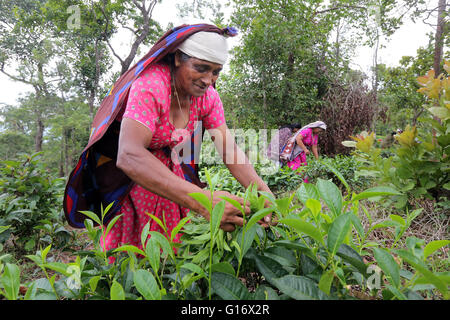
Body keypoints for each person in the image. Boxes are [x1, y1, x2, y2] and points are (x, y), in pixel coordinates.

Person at [70, 24, 274, 255]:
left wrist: (263, 192)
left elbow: (228, 149)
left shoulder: (208, 98)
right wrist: (204, 201)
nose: (208, 80)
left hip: (172, 173)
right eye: (201, 68)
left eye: (216, 72)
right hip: (135, 176)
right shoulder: (151, 85)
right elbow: (129, 155)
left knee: (174, 247)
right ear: (178, 58)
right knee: (134, 251)